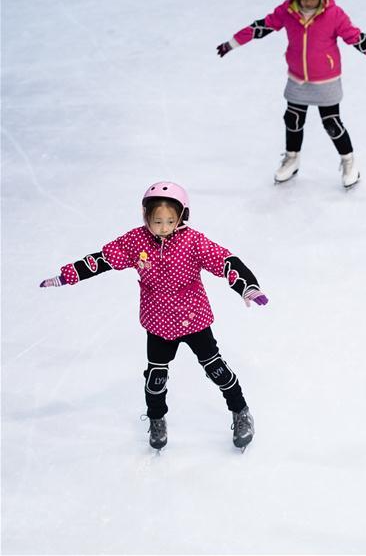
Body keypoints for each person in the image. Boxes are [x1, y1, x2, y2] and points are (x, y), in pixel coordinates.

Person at [39, 181, 268, 451]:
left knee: (216, 368)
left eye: (170, 220)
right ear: (145, 215)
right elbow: (102, 259)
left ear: (182, 217)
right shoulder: (136, 241)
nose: (163, 226)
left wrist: (247, 286)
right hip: (158, 323)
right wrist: (67, 276)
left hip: (194, 319)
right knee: (155, 378)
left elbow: (224, 260)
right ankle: (157, 419)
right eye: (156, 220)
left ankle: (240, 411)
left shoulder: (193, 242)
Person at [216, 0, 366, 188]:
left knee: (332, 123)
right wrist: (232, 43)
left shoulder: (334, 14)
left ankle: (349, 162)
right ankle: (292, 159)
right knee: (292, 120)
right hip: (297, 78)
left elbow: (359, 39)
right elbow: (261, 27)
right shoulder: (287, 11)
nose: (308, 2)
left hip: (326, 79)